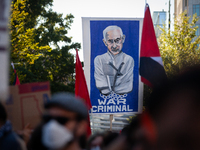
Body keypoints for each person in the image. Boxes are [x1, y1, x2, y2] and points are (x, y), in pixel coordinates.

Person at [94, 25, 134, 95]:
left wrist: (109, 85)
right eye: (110, 41)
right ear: (105, 42)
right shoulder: (99, 60)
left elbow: (128, 87)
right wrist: (120, 83)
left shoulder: (129, 60)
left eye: (117, 40)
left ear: (123, 38)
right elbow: (101, 85)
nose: (114, 45)